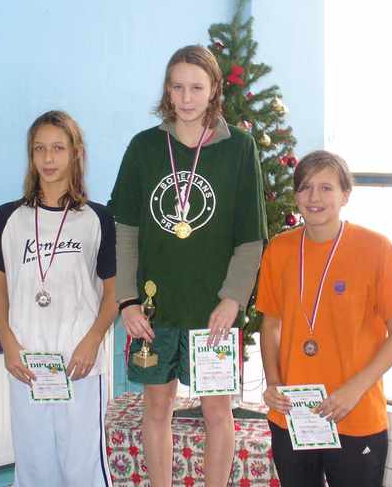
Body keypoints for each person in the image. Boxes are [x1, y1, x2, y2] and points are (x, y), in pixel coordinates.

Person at [109, 45, 267, 487]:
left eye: (196, 87)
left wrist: (232, 300)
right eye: (177, 87)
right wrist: (128, 301)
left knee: (217, 411)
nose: (186, 97)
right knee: (156, 408)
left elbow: (250, 239)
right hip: (154, 311)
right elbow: (126, 231)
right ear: (167, 90)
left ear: (214, 88)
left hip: (212, 312)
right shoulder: (144, 147)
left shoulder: (239, 149)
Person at [256, 150, 392, 487]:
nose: (314, 197)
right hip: (293, 415)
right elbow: (270, 325)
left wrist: (355, 389)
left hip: (355, 414)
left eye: (326, 188)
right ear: (295, 195)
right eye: (305, 187)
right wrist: (273, 381)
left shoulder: (376, 249)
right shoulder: (279, 250)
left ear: (345, 195)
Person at [0, 110, 117, 486]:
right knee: (34, 467)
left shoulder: (98, 218)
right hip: (26, 363)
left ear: (76, 153)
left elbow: (113, 295)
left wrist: (92, 341)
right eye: (39, 148)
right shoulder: (8, 217)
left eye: (58, 148)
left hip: (80, 363)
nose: (48, 158)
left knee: (82, 469)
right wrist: (8, 343)